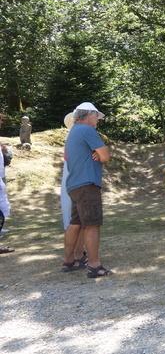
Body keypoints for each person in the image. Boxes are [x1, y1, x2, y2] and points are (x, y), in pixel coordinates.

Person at [63, 102, 112, 278]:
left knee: (75, 224)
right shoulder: (87, 130)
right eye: (96, 116)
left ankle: (69, 261)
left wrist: (97, 153)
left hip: (74, 185)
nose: (98, 120)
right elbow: (105, 155)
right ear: (88, 115)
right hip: (87, 184)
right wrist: (99, 153)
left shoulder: (73, 132)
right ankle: (94, 265)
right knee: (92, 224)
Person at [61, 112, 86, 266]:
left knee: (74, 219)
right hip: (77, 179)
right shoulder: (77, 137)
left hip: (71, 178)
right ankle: (77, 253)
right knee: (79, 219)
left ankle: (74, 255)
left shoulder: (72, 137)